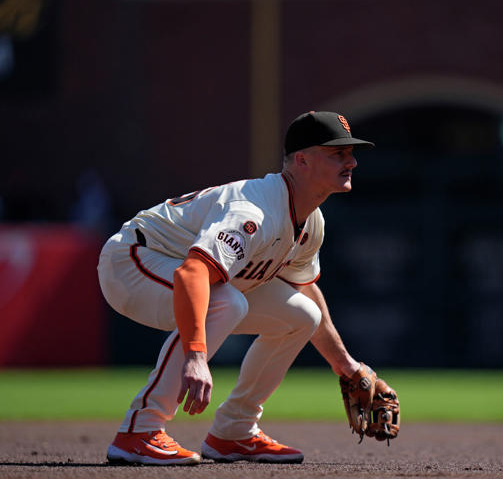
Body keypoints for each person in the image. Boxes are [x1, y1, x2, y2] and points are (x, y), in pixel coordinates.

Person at [98, 111, 382, 464]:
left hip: (182, 272)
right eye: (337, 153)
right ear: (302, 160)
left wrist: (348, 367)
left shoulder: (312, 223)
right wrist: (196, 357)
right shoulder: (252, 211)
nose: (351, 161)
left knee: (302, 314)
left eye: (351, 153)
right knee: (228, 302)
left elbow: (304, 290)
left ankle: (234, 431)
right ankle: (139, 431)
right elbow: (192, 274)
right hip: (131, 260)